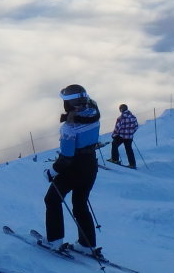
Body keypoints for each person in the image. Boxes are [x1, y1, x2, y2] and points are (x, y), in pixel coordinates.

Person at [45, 84, 102, 256]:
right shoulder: (94, 114)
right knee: (80, 204)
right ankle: (86, 244)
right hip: (90, 165)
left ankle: (55, 240)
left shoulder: (69, 128)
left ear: (68, 104)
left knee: (52, 200)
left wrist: (52, 171)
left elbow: (66, 157)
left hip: (73, 169)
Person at [109, 103, 139, 167]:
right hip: (129, 137)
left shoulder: (120, 118)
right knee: (129, 149)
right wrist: (131, 133)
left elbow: (117, 128)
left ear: (121, 109)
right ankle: (132, 164)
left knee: (114, 144)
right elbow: (136, 127)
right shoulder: (133, 117)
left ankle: (115, 160)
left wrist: (114, 135)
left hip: (121, 136)